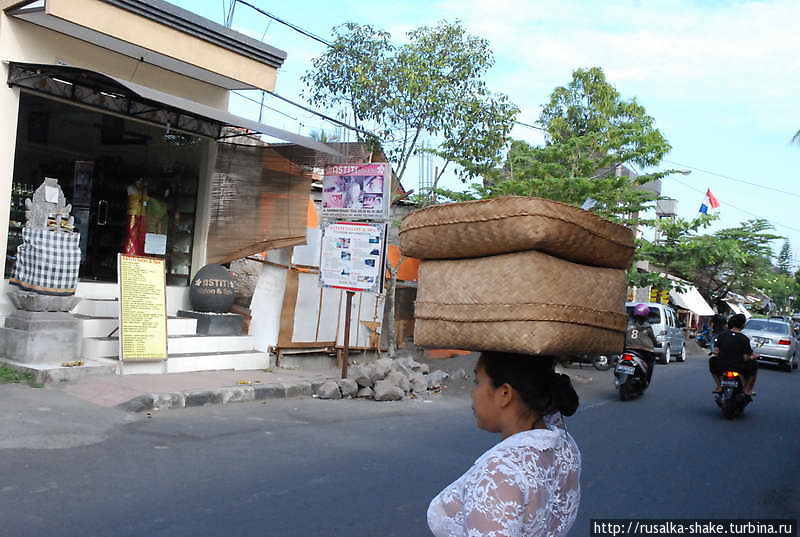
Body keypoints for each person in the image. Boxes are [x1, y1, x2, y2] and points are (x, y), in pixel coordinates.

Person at [427, 352, 581, 537]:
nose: (473, 393)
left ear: (504, 393)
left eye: (477, 382)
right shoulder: (564, 446)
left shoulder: (500, 473)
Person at [709, 313, 758, 397]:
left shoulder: (722, 336)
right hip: (738, 366)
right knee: (754, 364)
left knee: (712, 360)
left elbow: (716, 351)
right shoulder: (744, 339)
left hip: (722, 365)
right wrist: (753, 357)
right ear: (743, 325)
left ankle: (719, 386)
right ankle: (747, 389)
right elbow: (745, 358)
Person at [625, 303, 658, 385]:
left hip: (629, 348)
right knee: (650, 363)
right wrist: (656, 343)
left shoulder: (628, 324)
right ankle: (646, 380)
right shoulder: (647, 326)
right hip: (645, 350)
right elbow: (653, 338)